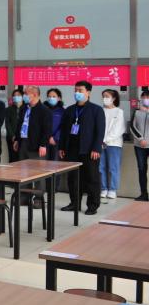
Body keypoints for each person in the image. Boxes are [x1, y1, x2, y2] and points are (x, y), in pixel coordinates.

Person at [59, 80, 106, 216]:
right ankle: (74, 203)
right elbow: (64, 130)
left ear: (88, 92)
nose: (77, 93)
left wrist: (96, 148)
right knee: (73, 178)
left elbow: (100, 131)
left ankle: (92, 205)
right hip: (72, 149)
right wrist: (62, 147)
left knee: (91, 178)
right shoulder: (69, 110)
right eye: (76, 90)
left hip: (89, 150)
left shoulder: (96, 110)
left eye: (80, 90)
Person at [100, 88, 124, 201]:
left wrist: (105, 140)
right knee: (101, 167)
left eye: (107, 96)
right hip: (100, 144)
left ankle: (113, 190)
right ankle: (103, 188)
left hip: (114, 144)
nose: (105, 98)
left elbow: (118, 129)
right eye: (103, 96)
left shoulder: (119, 112)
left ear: (114, 98)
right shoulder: (100, 111)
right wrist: (100, 140)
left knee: (113, 167)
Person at [16, 86, 51, 161]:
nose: (24, 96)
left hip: (36, 145)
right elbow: (19, 124)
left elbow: (47, 130)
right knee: (21, 166)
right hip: (23, 142)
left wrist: (43, 144)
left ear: (35, 95)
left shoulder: (45, 110)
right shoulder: (23, 108)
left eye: (26, 93)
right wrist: (16, 139)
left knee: (36, 167)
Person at [130, 89, 149, 201]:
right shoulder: (137, 111)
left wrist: (147, 111)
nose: (145, 99)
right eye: (143, 97)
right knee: (142, 169)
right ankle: (144, 193)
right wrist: (140, 139)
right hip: (139, 146)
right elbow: (132, 126)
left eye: (147, 97)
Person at [5, 87, 25, 164]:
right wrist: (12, 136)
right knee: (12, 158)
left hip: (22, 138)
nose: (16, 97)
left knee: (22, 158)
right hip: (11, 138)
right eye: (14, 95)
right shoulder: (8, 109)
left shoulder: (26, 108)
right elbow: (7, 123)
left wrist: (18, 136)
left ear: (22, 97)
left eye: (18, 95)